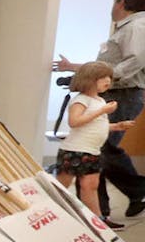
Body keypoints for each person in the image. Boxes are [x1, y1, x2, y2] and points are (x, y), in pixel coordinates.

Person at [54, 0, 145, 218]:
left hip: (124, 94)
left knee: (98, 148)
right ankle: (99, 212)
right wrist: (74, 68)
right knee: (95, 149)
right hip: (117, 92)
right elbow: (107, 66)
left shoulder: (136, 26)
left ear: (121, 3)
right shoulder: (126, 28)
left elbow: (133, 62)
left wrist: (100, 81)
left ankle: (135, 192)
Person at [55, 61, 135, 228]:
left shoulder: (99, 100)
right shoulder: (82, 100)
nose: (107, 81)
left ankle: (96, 220)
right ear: (89, 80)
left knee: (90, 186)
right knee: (61, 185)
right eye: (102, 78)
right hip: (74, 150)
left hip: (92, 152)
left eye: (109, 77)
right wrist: (103, 111)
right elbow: (74, 121)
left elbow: (95, 124)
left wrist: (117, 126)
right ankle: (54, 213)